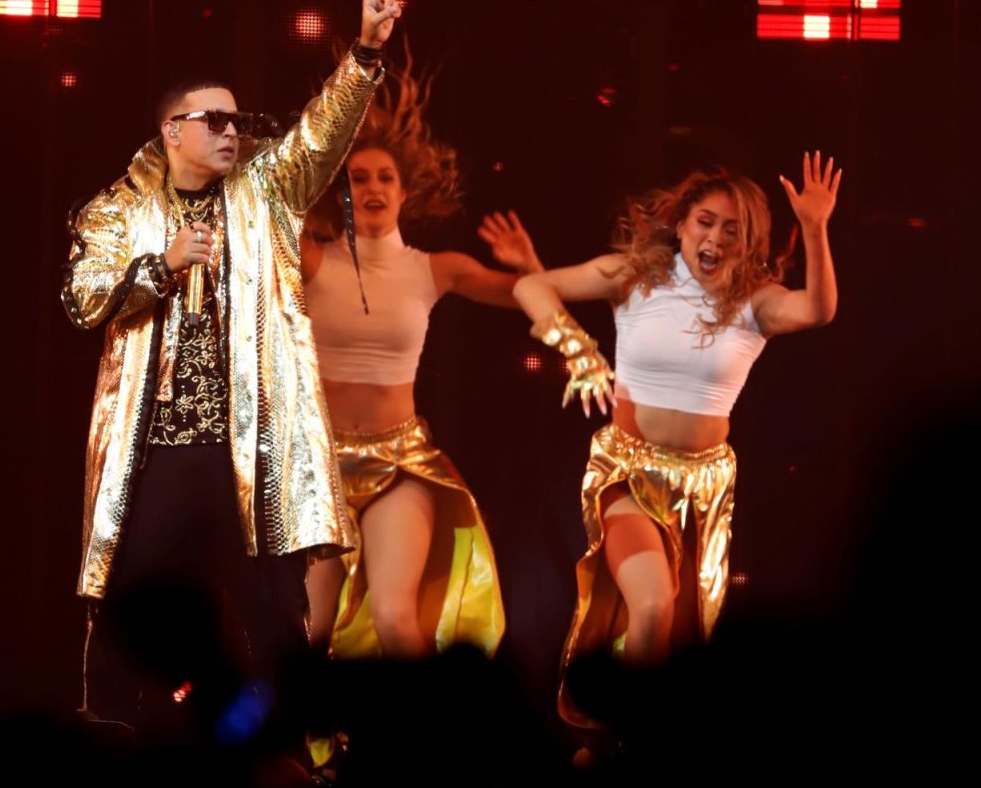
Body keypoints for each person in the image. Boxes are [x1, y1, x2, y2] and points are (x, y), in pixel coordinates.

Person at [63, 0, 400, 736]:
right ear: (171, 130)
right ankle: (109, 749)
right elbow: (82, 297)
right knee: (125, 607)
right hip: (156, 452)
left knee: (276, 607)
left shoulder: (266, 189)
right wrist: (161, 264)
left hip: (246, 448)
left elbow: (320, 131)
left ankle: (286, 754)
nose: (229, 132)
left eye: (235, 120)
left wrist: (366, 53)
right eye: (211, 120)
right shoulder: (118, 210)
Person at [512, 153, 841, 729]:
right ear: (683, 225)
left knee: (683, 637)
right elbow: (533, 286)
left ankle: (647, 741)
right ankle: (622, 739)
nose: (714, 238)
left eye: (731, 230)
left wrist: (814, 227)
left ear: (748, 242)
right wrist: (579, 352)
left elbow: (818, 310)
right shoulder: (637, 277)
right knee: (649, 604)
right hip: (628, 474)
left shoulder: (754, 303)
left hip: (703, 484)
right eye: (705, 222)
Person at [301, 56, 542, 660]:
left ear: (405, 192)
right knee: (311, 629)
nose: (374, 188)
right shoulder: (312, 259)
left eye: (385, 177)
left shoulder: (434, 269)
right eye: (359, 178)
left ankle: (424, 748)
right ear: (342, 192)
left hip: (399, 462)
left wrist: (530, 266)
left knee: (394, 616)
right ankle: (309, 753)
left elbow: (529, 299)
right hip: (319, 464)